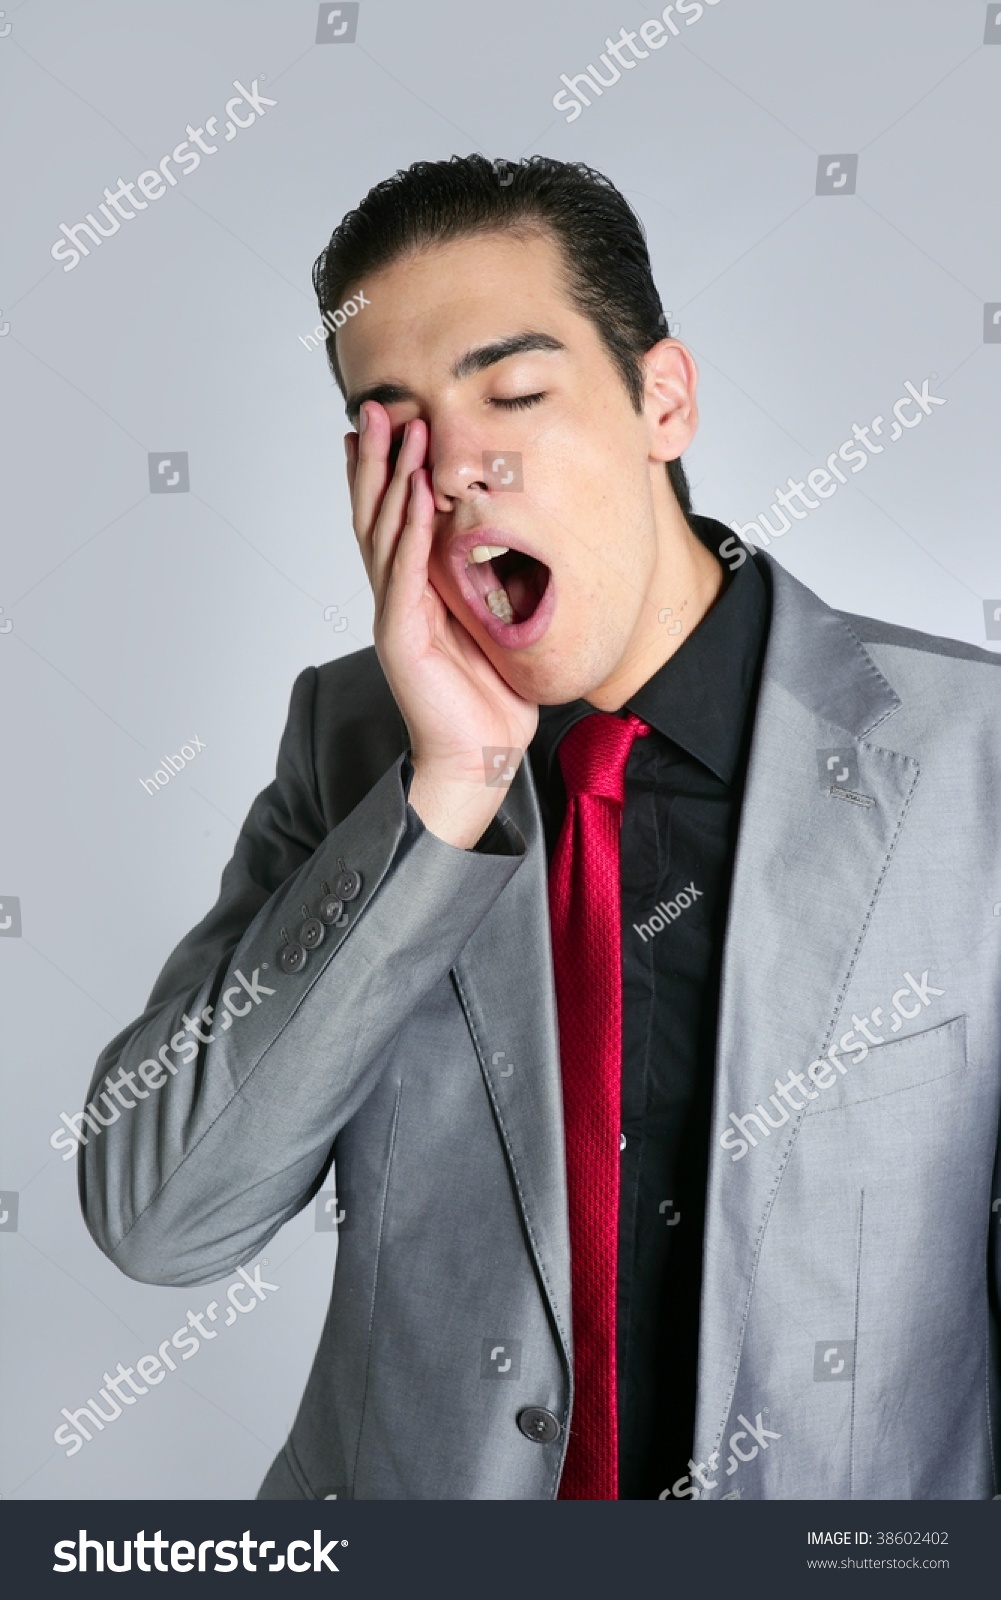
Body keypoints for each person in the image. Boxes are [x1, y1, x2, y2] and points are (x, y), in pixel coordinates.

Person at [79, 154, 1001, 1500]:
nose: (460, 469)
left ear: (660, 401)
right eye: (397, 429)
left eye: (513, 392)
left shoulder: (968, 759)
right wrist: (442, 793)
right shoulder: (350, 748)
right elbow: (161, 1221)